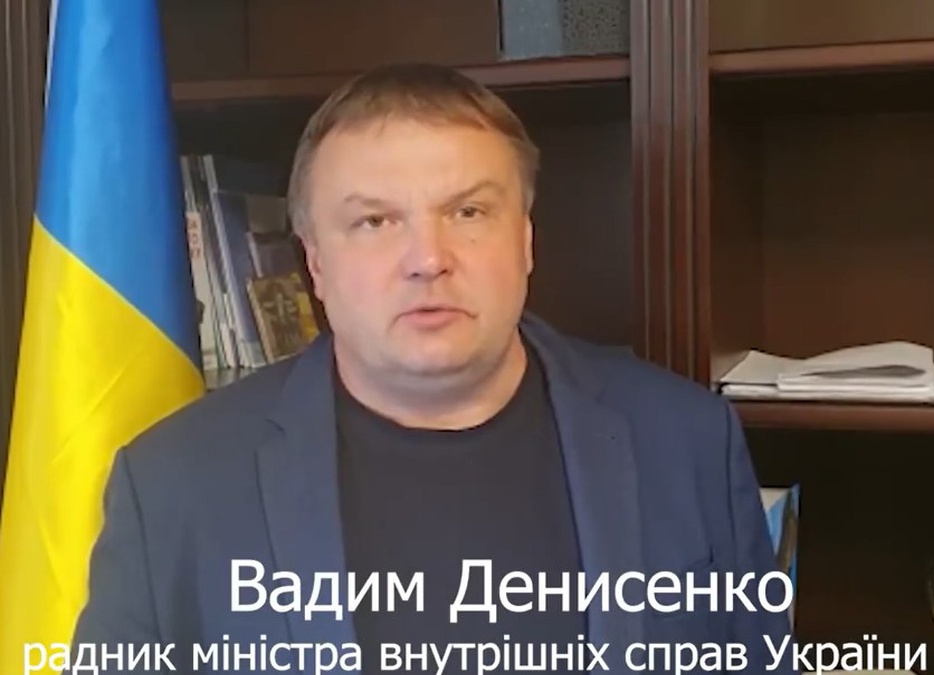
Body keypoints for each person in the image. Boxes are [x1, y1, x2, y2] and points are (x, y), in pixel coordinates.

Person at [70, 62, 794, 674]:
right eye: (374, 221)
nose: (427, 259)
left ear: (526, 240)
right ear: (315, 263)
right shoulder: (172, 484)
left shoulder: (686, 440)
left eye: (469, 212)